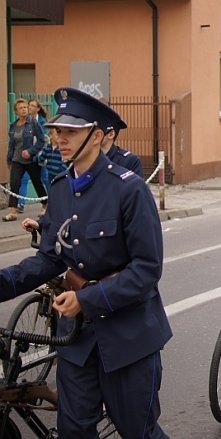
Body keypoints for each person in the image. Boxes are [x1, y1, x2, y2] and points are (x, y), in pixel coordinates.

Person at [0, 87, 171, 437]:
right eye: (57, 131)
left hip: (129, 337)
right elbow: (50, 257)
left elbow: (147, 269)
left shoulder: (129, 189)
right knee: (73, 430)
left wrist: (86, 300)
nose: (59, 139)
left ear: (96, 136)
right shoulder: (61, 188)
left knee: (138, 431)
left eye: (70, 132)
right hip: (77, 341)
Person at [4, 99, 47, 221]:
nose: (24, 109)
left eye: (25, 107)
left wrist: (31, 151)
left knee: (37, 182)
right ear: (16, 111)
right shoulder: (13, 126)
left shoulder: (33, 123)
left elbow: (41, 141)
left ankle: (45, 205)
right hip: (16, 159)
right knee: (14, 184)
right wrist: (9, 160)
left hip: (31, 159)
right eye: (21, 108)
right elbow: (11, 145)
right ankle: (13, 211)